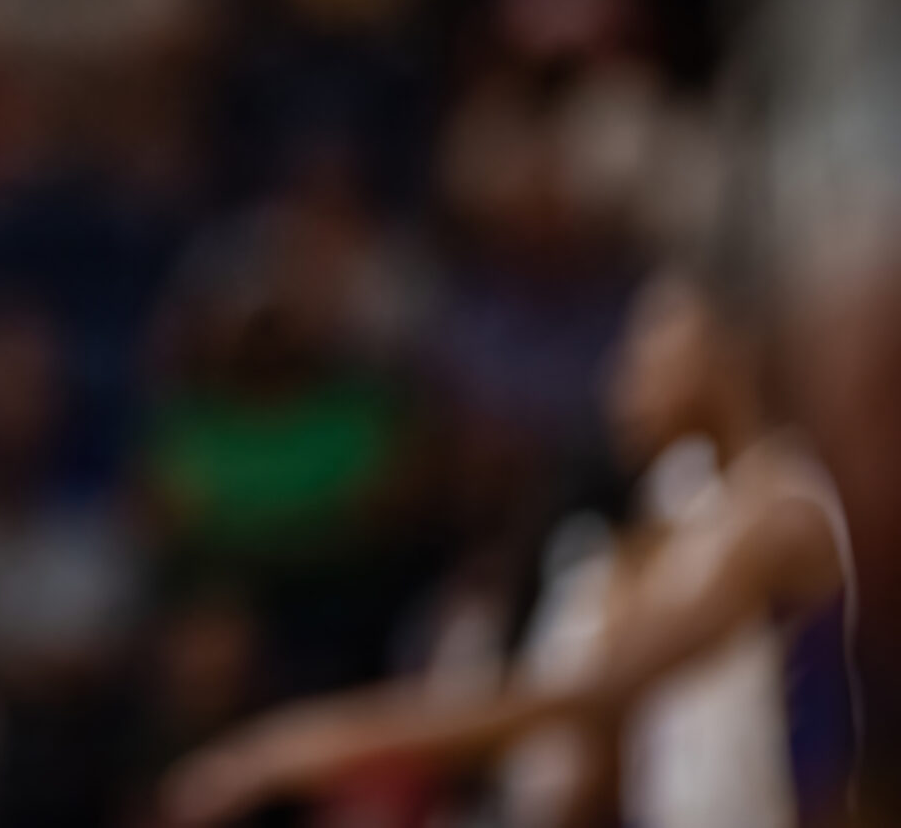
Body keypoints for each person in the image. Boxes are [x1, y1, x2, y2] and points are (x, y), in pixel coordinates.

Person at [164, 267, 858, 828]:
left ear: (726, 347)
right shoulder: (685, 502)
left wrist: (305, 746)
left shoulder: (782, 515)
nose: (621, 379)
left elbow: (581, 695)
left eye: (646, 348)